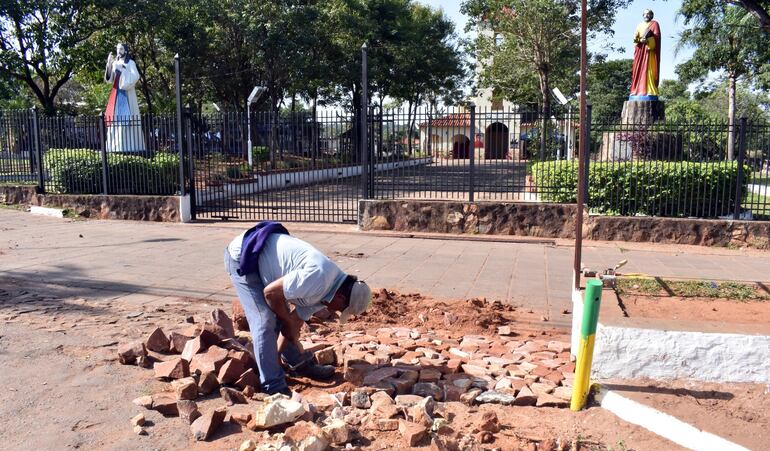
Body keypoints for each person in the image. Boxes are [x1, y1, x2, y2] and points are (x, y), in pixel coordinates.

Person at [224, 222, 373, 395]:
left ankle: (298, 365)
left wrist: (279, 351)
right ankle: (273, 386)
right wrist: (285, 321)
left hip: (269, 269)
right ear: (340, 297)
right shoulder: (319, 278)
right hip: (245, 258)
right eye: (342, 309)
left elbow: (294, 322)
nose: (337, 312)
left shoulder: (330, 292)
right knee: (265, 321)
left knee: (282, 317)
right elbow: (271, 293)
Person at [104, 43, 146, 153]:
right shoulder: (114, 63)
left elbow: (135, 76)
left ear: (125, 50)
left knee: (130, 119)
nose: (119, 51)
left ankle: (131, 148)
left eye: (121, 49)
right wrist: (109, 65)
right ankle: (115, 147)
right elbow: (110, 79)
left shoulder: (131, 63)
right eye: (117, 49)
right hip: (116, 95)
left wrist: (122, 71)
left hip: (127, 94)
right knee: (115, 120)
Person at [630, 9, 661, 100]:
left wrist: (648, 40)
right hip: (640, 51)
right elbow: (635, 39)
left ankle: (649, 90)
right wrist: (639, 40)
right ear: (642, 15)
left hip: (649, 51)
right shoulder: (639, 25)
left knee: (649, 70)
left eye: (649, 14)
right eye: (645, 14)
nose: (646, 15)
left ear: (652, 15)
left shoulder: (655, 24)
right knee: (638, 70)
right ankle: (637, 90)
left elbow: (657, 37)